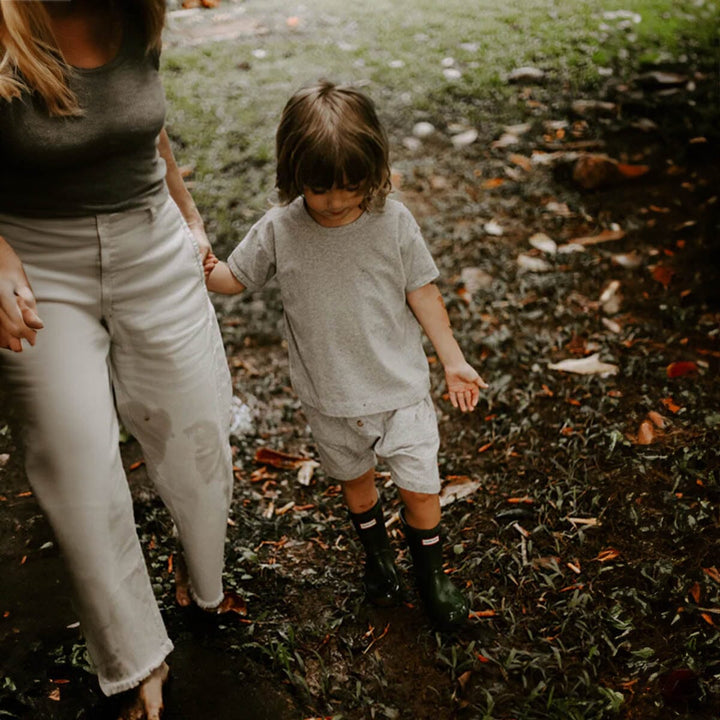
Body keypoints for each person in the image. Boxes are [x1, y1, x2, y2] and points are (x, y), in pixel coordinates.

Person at [0, 1, 234, 717]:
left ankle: (209, 587)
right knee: (76, 467)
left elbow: (142, 127)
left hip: (151, 242)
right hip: (37, 261)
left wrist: (190, 218)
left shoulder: (139, 10)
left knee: (197, 436)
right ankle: (134, 661)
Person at [205, 81, 487, 630]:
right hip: (329, 396)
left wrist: (452, 359)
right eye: (319, 189)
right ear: (293, 176)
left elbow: (422, 292)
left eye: (352, 186)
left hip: (399, 388)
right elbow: (232, 279)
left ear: (375, 171)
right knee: (355, 484)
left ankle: (431, 574)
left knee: (421, 487)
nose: (336, 201)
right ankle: (379, 561)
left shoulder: (393, 221)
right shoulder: (280, 229)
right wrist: (192, 257)